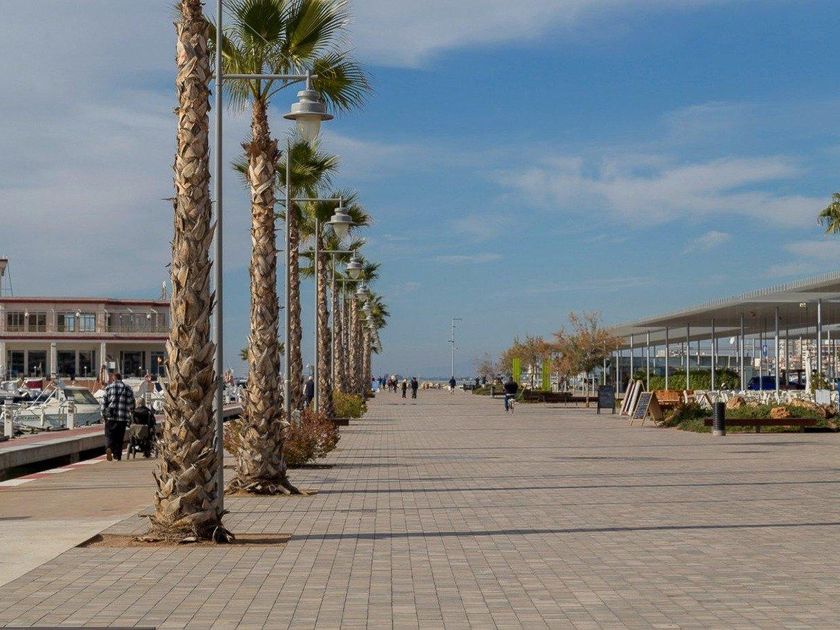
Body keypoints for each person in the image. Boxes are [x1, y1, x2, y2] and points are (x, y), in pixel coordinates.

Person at [102, 372, 135, 461]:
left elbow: (104, 403)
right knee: (119, 437)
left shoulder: (108, 388)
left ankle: (109, 447)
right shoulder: (127, 388)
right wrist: (131, 410)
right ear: (121, 378)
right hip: (122, 418)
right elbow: (131, 402)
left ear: (114, 379)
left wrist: (103, 414)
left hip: (110, 417)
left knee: (109, 435)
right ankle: (117, 456)